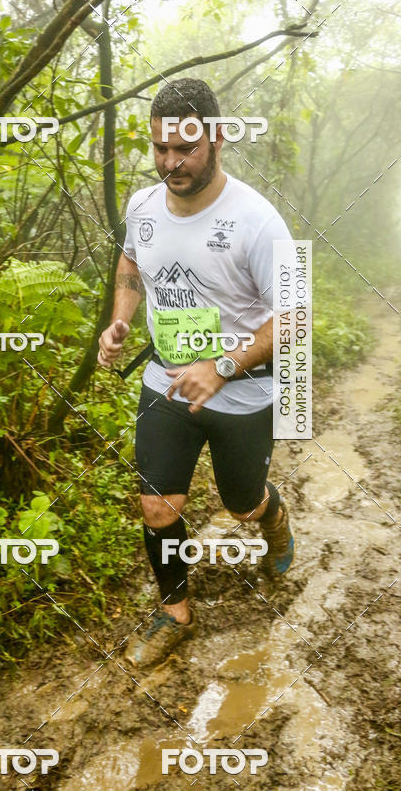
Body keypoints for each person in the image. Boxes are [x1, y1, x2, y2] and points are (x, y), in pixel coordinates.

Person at [97, 78, 294, 668]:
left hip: (243, 389)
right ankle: (175, 612)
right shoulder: (142, 206)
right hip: (164, 378)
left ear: (217, 139)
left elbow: (296, 316)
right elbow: (132, 262)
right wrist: (121, 321)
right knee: (158, 505)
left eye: (185, 149)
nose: (170, 163)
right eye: (160, 149)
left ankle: (272, 515)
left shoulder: (258, 221)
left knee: (240, 505)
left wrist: (225, 365)